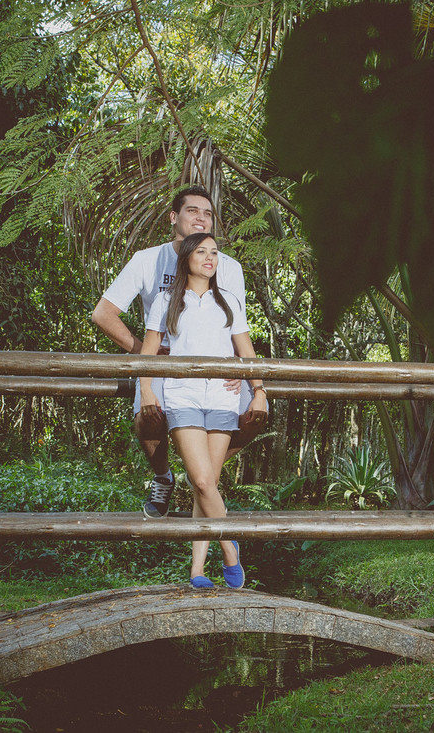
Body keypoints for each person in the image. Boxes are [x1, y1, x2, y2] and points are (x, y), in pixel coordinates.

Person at [91, 186, 268, 518]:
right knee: (148, 413)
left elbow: (236, 327)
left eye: (208, 213)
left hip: (218, 365)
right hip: (164, 361)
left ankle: (200, 471)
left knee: (256, 412)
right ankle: (163, 476)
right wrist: (146, 353)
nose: (201, 218)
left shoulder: (228, 267)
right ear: (174, 217)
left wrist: (238, 368)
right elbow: (103, 314)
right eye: (192, 211)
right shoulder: (147, 260)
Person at [139, 232, 268, 588]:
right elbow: (148, 351)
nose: (210, 258)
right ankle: (230, 549)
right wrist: (147, 389)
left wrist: (258, 390)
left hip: (223, 398)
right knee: (201, 480)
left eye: (214, 252)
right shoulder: (166, 300)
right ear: (186, 257)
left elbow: (246, 351)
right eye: (201, 251)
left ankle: (197, 570)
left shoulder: (229, 302)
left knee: (207, 483)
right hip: (183, 396)